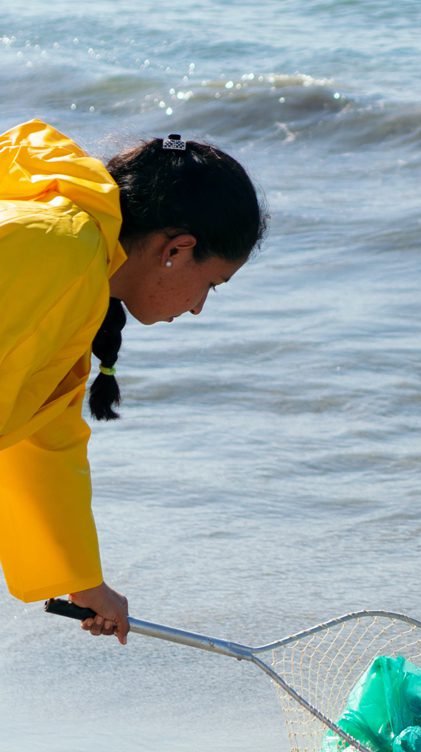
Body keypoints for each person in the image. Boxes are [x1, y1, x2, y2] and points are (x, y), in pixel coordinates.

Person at [0, 119, 267, 644]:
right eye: (210, 283)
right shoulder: (57, 248)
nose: (197, 307)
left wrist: (81, 579)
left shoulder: (78, 263)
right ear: (177, 249)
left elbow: (45, 439)